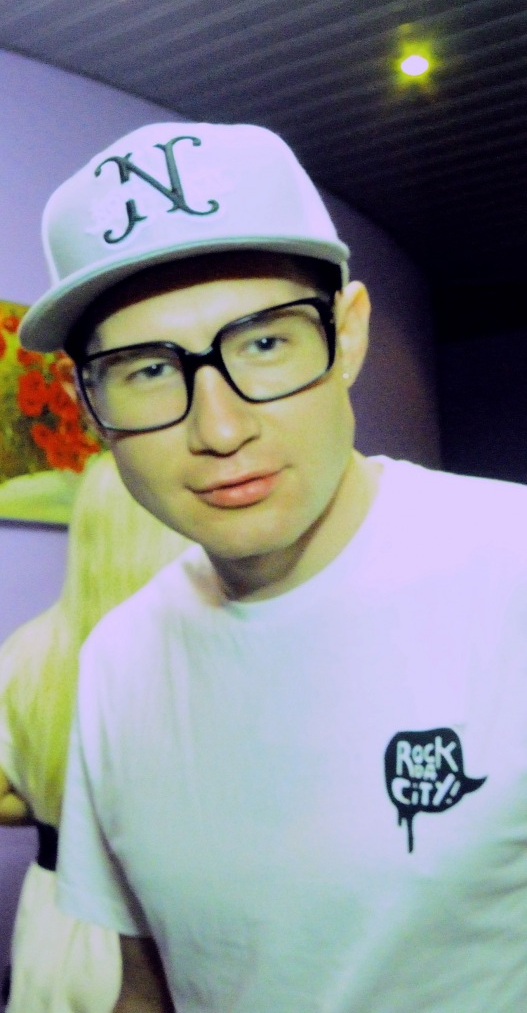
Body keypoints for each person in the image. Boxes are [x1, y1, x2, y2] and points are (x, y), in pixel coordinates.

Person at [19, 121, 527, 1012]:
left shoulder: (509, 564)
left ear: (349, 335)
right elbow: (146, 989)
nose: (219, 429)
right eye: (146, 370)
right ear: (88, 407)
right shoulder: (118, 660)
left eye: (263, 344)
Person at [0, 451, 188, 1012]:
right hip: (167, 926)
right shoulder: (197, 648)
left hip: (57, 924)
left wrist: (52, 799)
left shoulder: (27, 650)